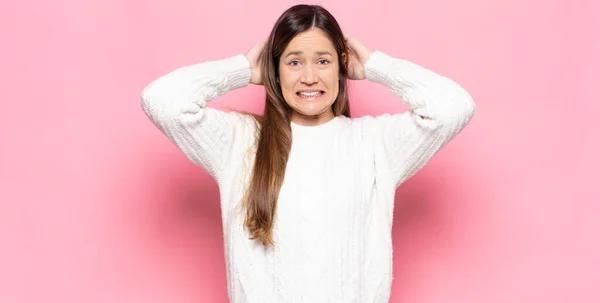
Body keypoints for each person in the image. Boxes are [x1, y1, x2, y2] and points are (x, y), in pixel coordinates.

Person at [140, 4, 475, 302]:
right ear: (276, 69)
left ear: (342, 66)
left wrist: (376, 66)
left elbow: (454, 107)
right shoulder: (239, 141)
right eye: (294, 61)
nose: (310, 77)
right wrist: (242, 69)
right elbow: (163, 100)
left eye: (323, 61)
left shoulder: (374, 143)